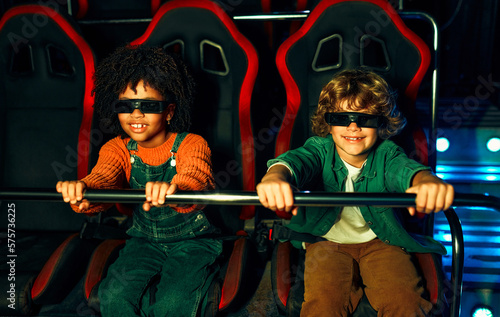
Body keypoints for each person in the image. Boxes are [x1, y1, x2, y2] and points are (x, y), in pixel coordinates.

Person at [256, 69, 454, 316]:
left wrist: (425, 181)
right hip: (326, 242)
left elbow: (405, 170)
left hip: (382, 241)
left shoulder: (387, 153)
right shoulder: (319, 149)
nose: (353, 126)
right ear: (328, 122)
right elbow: (296, 161)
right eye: (342, 118)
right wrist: (276, 176)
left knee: (405, 302)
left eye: (365, 118)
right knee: (322, 305)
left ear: (381, 123)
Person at [56, 45, 221, 316]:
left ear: (168, 111)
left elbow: (196, 177)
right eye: (126, 106)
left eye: (148, 106)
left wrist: (177, 189)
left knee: (173, 302)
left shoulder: (191, 143)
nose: (135, 114)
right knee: (114, 296)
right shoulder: (117, 148)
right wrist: (84, 190)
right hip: (143, 241)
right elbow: (103, 178)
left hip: (193, 241)